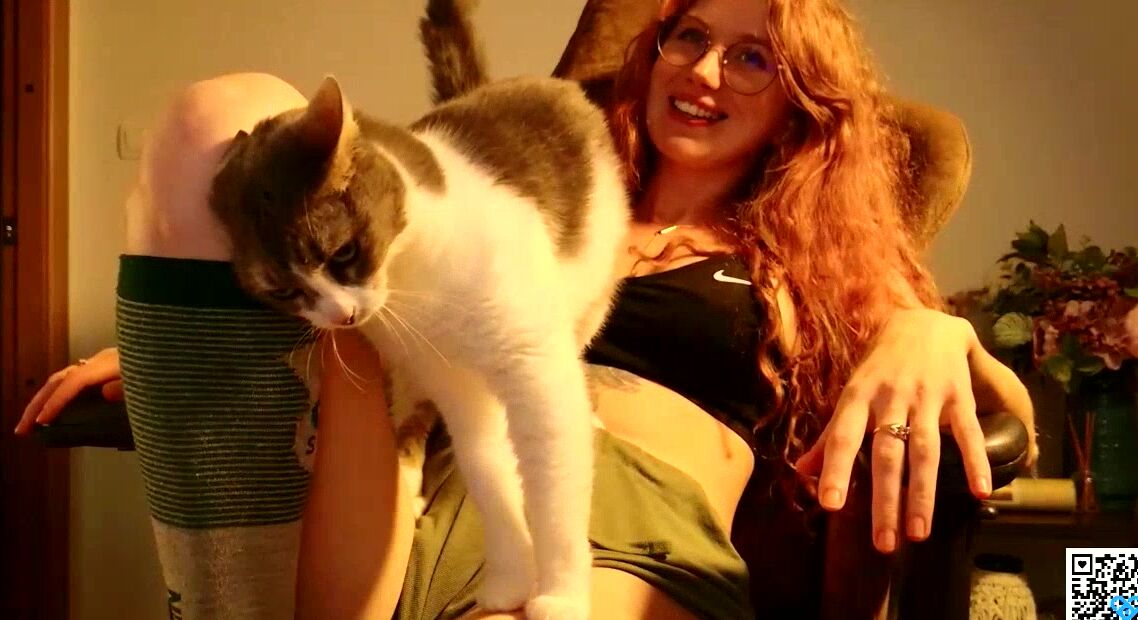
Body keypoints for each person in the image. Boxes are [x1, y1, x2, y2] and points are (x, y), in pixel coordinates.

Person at [17, 0, 1035, 618]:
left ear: (798, 103)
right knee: (221, 113)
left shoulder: (805, 262)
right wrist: (205, 351)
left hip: (626, 516)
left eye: (751, 56)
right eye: (688, 36)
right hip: (434, 477)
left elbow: (1011, 419)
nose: (703, 71)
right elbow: (346, 254)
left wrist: (929, 327)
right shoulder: (542, 202)